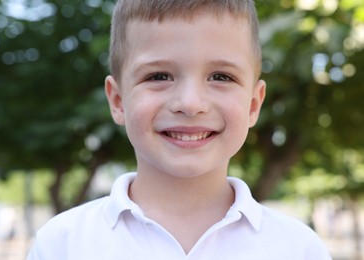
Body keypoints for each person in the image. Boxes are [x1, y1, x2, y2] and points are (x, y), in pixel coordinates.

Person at [27, 0, 331, 259]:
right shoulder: (62, 245)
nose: (190, 103)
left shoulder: (299, 249)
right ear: (118, 100)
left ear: (253, 104)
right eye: (159, 75)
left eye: (221, 77)